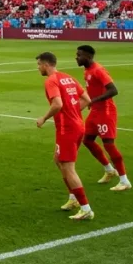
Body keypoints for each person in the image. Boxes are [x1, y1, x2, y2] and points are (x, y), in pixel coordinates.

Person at [35, 52, 94, 221]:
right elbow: (86, 99)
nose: (38, 68)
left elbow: (58, 104)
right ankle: (74, 198)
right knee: (58, 160)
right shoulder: (68, 77)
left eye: (39, 64)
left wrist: (44, 118)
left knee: (68, 167)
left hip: (67, 129)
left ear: (46, 65)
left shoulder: (51, 80)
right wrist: (74, 113)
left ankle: (86, 208)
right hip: (77, 125)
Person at [75, 45, 131, 192]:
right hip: (95, 111)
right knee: (87, 140)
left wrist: (95, 100)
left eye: (79, 55)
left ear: (87, 57)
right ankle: (109, 169)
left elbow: (113, 90)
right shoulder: (86, 70)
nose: (76, 57)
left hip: (105, 112)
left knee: (109, 144)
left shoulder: (98, 70)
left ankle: (124, 180)